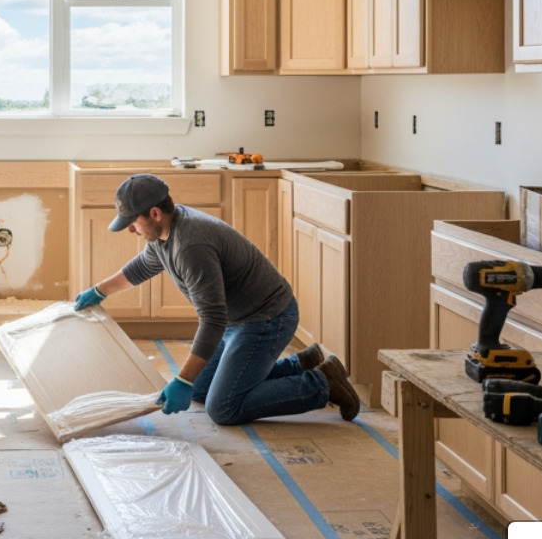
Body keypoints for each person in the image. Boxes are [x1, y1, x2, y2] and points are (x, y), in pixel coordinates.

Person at [74, 173, 361, 424]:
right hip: (239, 320)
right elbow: (141, 267)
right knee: (200, 388)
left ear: (155, 214)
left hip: (267, 318)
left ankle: (322, 383)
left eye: (132, 222)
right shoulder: (165, 233)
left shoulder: (191, 245)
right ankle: (300, 364)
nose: (130, 229)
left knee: (223, 407)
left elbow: (212, 319)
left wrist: (181, 380)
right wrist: (99, 291)